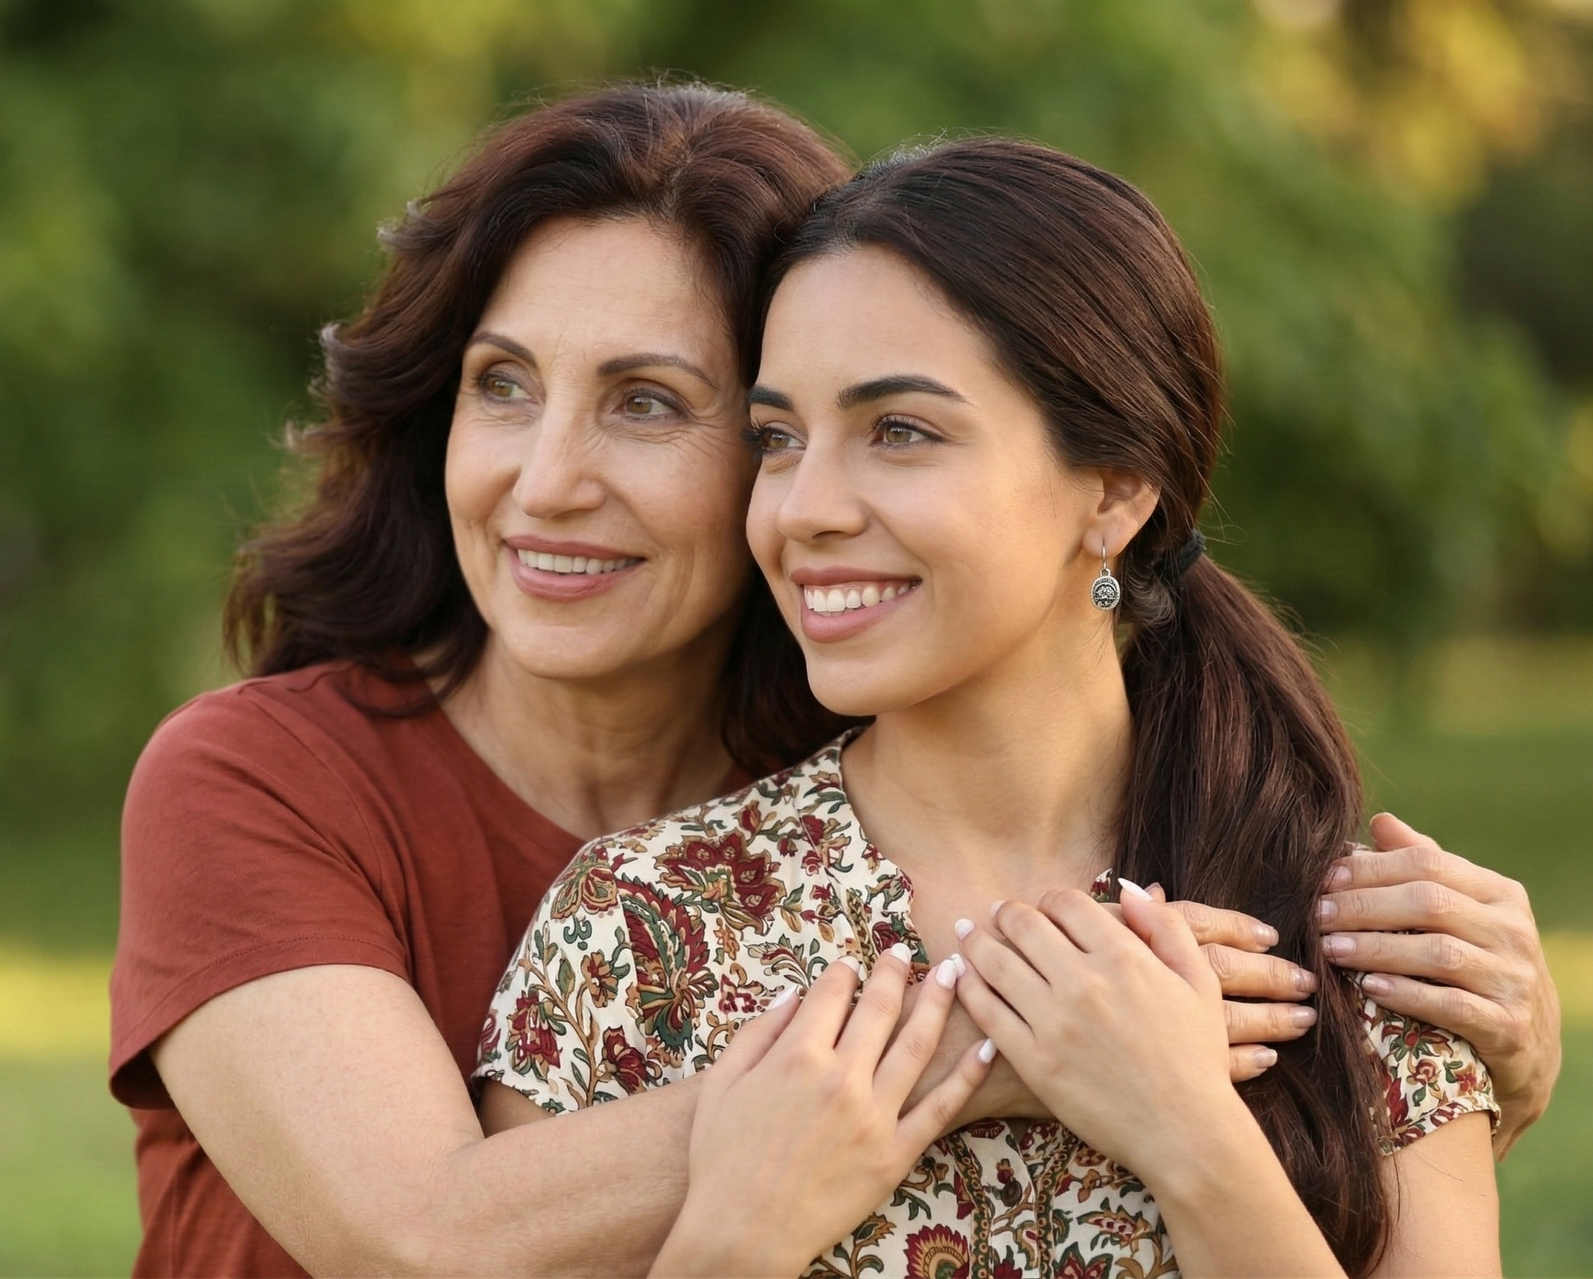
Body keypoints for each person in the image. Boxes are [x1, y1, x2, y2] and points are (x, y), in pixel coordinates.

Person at [109, 84, 1558, 1276]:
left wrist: (1477, 1058)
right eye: (500, 383)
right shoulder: (608, 902)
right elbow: (412, 1231)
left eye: (650, 402)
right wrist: (994, 1031)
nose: (546, 480)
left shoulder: (949, 751)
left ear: (1111, 489)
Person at [477, 139, 1502, 1276]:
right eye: (779, 439)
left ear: (1114, 488)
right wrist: (737, 1238)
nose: (803, 507)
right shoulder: (645, 930)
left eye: (900, 430)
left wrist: (1190, 1137)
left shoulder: (1348, 944)